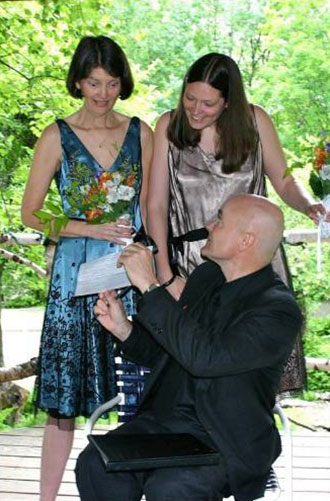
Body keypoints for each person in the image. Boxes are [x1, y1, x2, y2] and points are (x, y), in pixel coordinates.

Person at [75, 194, 302, 501]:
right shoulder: (206, 277)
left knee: (174, 486)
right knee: (95, 463)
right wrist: (123, 329)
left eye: (220, 220)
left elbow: (206, 360)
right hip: (164, 423)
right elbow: (174, 354)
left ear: (246, 241)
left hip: (223, 437)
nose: (210, 225)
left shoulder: (277, 310)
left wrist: (149, 285)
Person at [21, 36, 153, 501]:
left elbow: (152, 207)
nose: (103, 93)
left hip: (132, 272)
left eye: (113, 82)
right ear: (78, 82)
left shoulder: (142, 132)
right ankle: (46, 499)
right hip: (74, 277)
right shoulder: (57, 135)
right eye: (94, 82)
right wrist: (88, 229)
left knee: (141, 393)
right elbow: (30, 214)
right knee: (63, 405)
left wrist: (160, 268)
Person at [147, 52, 327, 392]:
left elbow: (285, 181)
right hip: (189, 264)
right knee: (191, 368)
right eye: (190, 99)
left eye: (208, 103)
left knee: (250, 375)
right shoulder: (167, 127)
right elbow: (155, 205)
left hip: (252, 264)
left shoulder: (255, 121)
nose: (196, 110)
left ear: (229, 103)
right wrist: (165, 274)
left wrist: (309, 205)